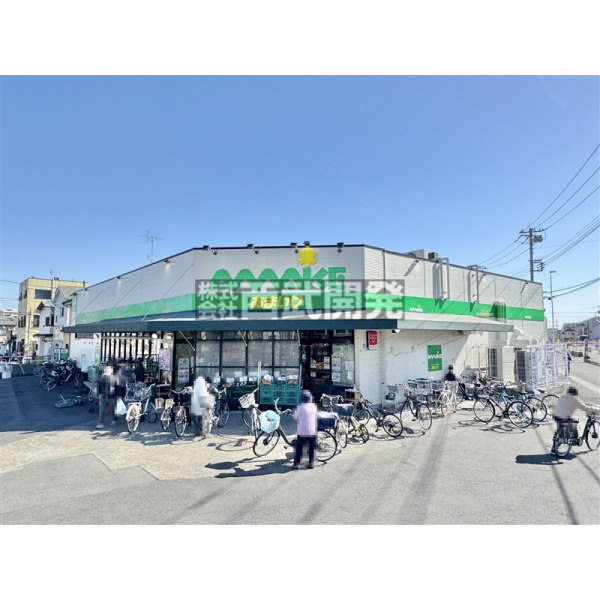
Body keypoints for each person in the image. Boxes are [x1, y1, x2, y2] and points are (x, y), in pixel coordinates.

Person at [551, 386, 590, 452]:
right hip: (564, 417)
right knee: (575, 422)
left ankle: (554, 447)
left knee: (560, 430)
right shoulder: (575, 400)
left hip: (555, 416)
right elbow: (584, 407)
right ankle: (574, 438)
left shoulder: (562, 397)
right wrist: (594, 409)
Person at [292, 390, 318, 470]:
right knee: (311, 448)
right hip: (312, 431)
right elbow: (316, 416)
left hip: (302, 432)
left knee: (299, 448)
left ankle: (297, 464)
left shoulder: (300, 407)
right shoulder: (313, 407)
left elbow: (295, 416)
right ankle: (311, 463)